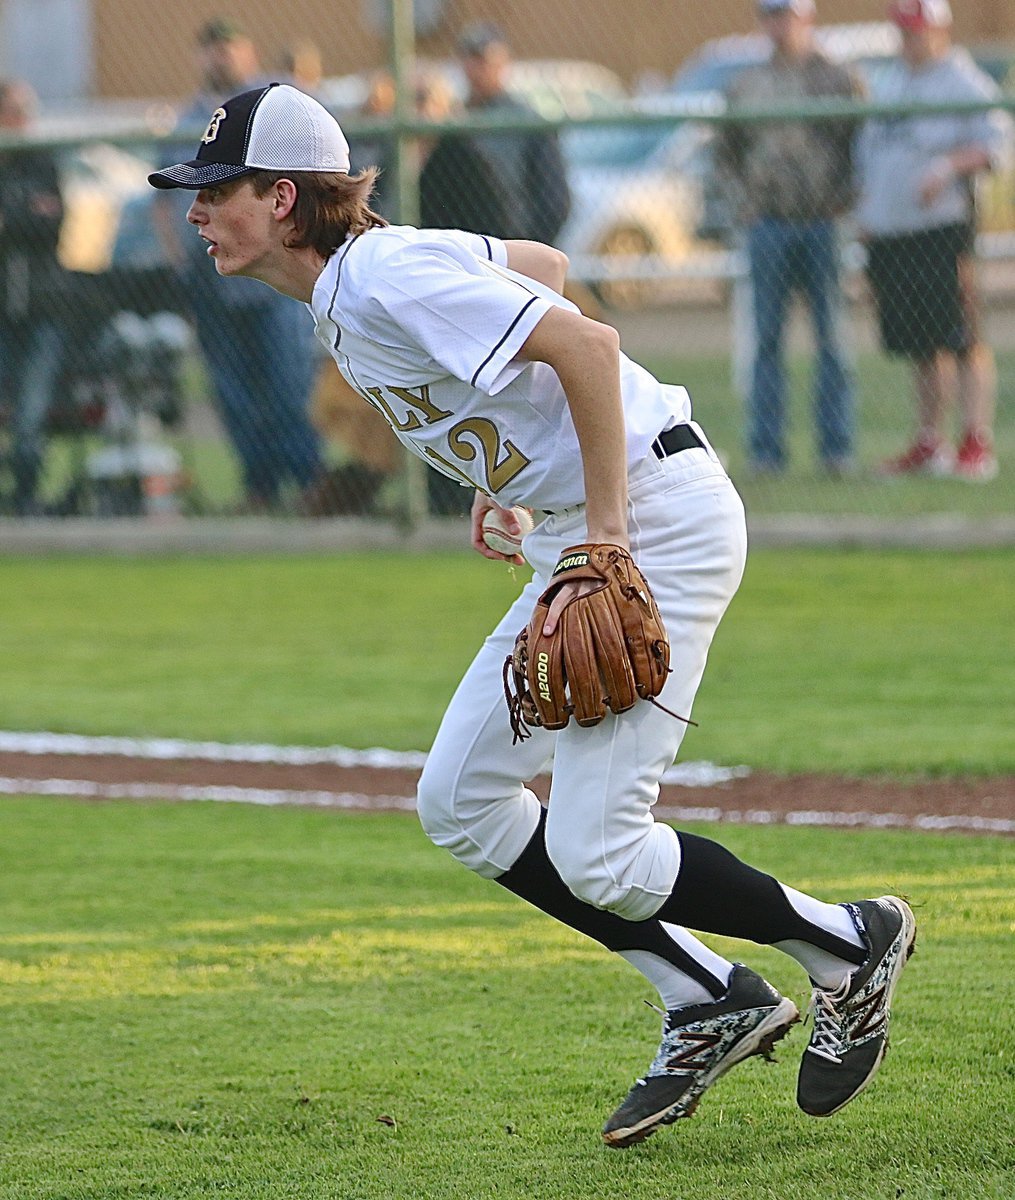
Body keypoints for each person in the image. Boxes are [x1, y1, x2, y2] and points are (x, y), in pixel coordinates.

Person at [149, 83, 918, 1148]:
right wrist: (496, 470)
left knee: (603, 852)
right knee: (461, 801)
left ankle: (852, 940)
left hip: (652, 518)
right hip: (576, 525)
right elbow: (544, 273)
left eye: (213, 190)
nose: (195, 210)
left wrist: (602, 535)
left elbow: (588, 346)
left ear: (281, 199)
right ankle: (707, 996)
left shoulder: (383, 277)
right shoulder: (366, 274)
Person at [153, 18, 326, 513]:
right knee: (234, 391)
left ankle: (309, 482)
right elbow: (165, 205)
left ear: (247, 51)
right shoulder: (190, 118)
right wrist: (179, 264)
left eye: (227, 47)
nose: (219, 57)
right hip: (211, 273)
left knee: (289, 380)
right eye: (210, 49)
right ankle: (261, 486)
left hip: (273, 273)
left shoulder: (273, 106)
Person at [856, 0, 1012, 480]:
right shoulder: (893, 80)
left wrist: (948, 166)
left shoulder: (960, 79)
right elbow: (872, 152)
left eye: (917, 31)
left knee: (962, 338)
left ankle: (975, 441)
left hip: (942, 231)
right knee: (922, 344)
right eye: (903, 31)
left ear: (939, 30)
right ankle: (930, 441)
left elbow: (998, 143)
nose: (910, 41)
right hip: (894, 233)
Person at [715, 0, 863, 477]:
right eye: (771, 15)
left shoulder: (838, 81)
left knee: (833, 340)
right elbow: (724, 154)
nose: (781, 25)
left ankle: (836, 450)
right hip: (769, 226)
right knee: (766, 342)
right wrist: (744, 207)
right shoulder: (746, 85)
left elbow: (861, 144)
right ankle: (766, 451)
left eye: (789, 15)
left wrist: (846, 199)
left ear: (809, 19)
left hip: (822, 222)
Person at [0, 79, 67, 516]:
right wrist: (27, 214)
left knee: (31, 412)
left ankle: (26, 495)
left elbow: (53, 225)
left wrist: (13, 217)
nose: (20, 120)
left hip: (41, 309)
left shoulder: (43, 161)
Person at [454, 21, 571, 245]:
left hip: (512, 243)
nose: (475, 69)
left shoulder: (527, 122)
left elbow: (555, 201)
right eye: (469, 59)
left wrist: (528, 245)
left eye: (483, 60)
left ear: (503, 63)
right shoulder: (454, 119)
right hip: (468, 244)